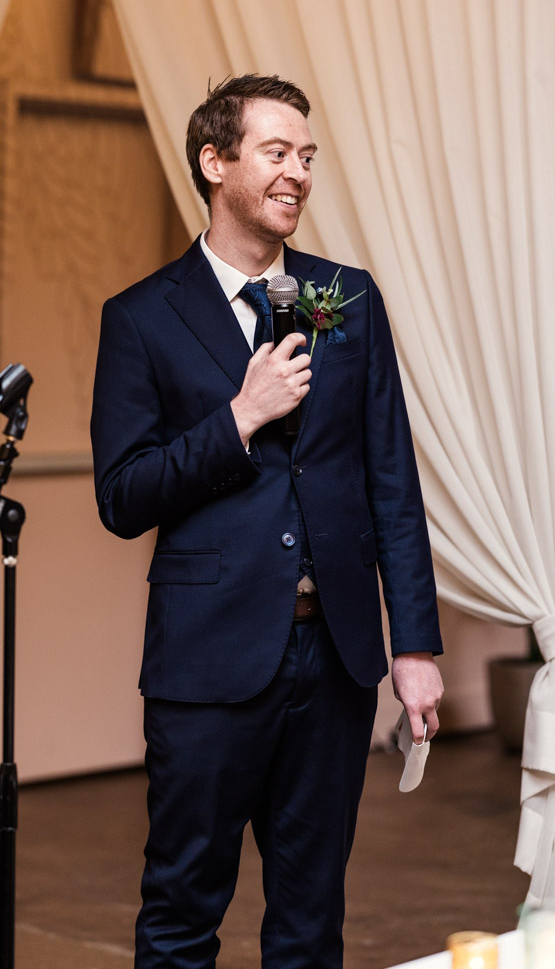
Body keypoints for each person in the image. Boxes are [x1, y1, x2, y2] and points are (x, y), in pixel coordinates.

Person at [91, 74, 444, 969]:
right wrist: (237, 419)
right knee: (180, 913)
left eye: (306, 156)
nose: (297, 174)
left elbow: (391, 484)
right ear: (215, 163)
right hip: (207, 661)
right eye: (276, 153)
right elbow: (122, 497)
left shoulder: (348, 299)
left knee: (309, 919)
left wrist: (413, 649)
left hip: (333, 661)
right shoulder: (140, 318)